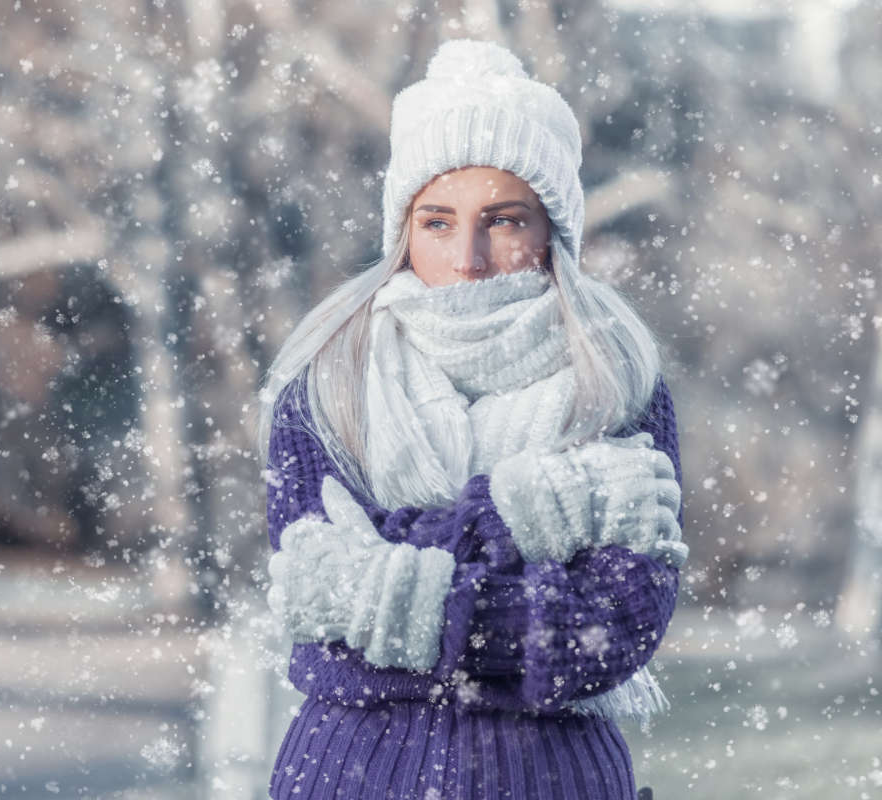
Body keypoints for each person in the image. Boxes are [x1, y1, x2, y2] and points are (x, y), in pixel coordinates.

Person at [256, 39, 688, 799]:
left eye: (503, 218)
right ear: (403, 232)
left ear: (553, 230)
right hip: (350, 779)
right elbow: (317, 609)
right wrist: (517, 518)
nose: (468, 258)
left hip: (553, 783)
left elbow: (614, 629)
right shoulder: (326, 384)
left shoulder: (618, 383)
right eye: (438, 222)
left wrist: (401, 598)